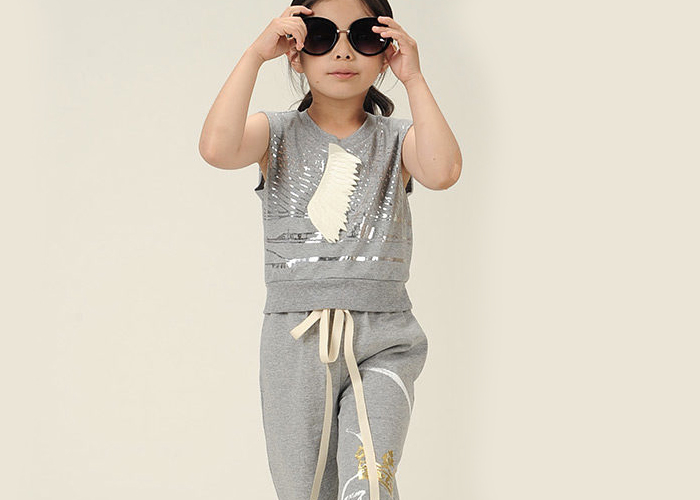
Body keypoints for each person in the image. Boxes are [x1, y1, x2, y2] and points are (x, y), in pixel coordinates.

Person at [199, 1, 461, 498]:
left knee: (370, 482)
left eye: (363, 36)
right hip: (296, 339)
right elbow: (217, 148)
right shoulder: (274, 133)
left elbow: (443, 171)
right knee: (303, 489)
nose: (342, 51)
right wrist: (255, 55)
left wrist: (414, 79)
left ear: (385, 53)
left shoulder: (398, 139)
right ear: (296, 55)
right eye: (321, 35)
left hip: (385, 336)